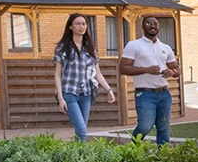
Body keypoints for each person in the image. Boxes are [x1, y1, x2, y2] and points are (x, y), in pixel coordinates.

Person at [53, 13, 115, 143]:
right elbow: (57, 74)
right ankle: (79, 153)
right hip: (69, 92)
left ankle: (77, 153)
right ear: (70, 26)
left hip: (86, 93)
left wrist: (109, 89)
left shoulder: (90, 48)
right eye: (77, 24)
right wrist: (60, 97)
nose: (81, 26)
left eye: (83, 24)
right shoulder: (63, 47)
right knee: (82, 130)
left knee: (81, 131)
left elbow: (97, 73)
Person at [120, 15, 179, 146]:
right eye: (148, 24)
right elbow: (123, 68)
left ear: (158, 26)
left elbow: (177, 69)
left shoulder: (165, 47)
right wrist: (147, 70)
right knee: (145, 126)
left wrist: (172, 72)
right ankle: (133, 149)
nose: (152, 26)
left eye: (155, 24)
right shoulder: (134, 45)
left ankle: (163, 154)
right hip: (145, 93)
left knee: (164, 127)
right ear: (142, 26)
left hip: (164, 93)